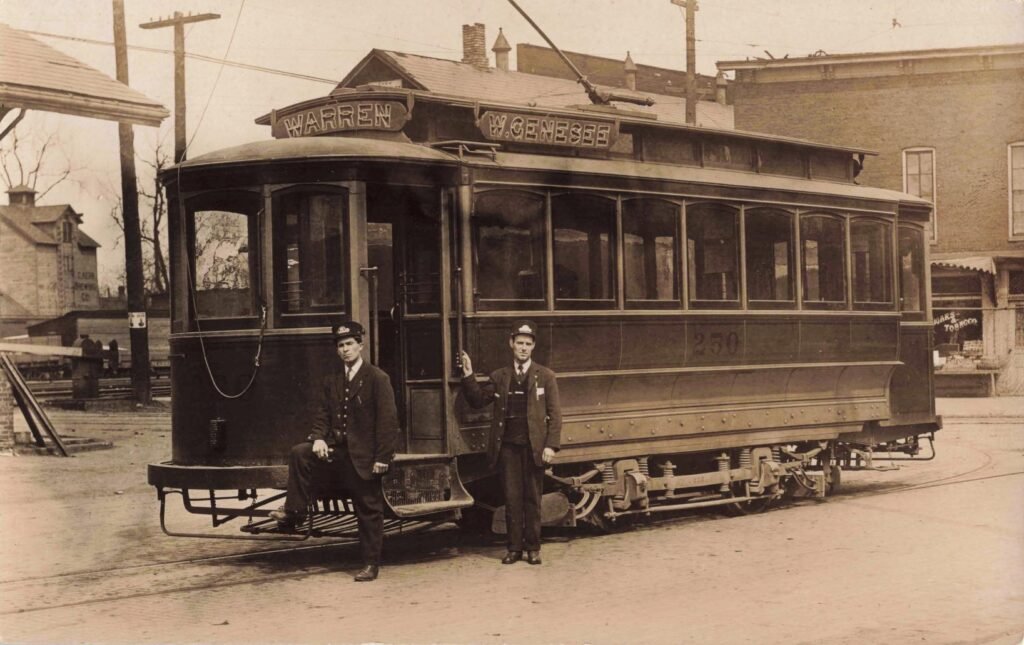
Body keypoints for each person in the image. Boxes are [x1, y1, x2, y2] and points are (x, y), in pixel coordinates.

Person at [270, 321, 399, 582]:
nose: (345, 350)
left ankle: (370, 564)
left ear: (360, 346)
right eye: (340, 346)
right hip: (338, 453)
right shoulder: (332, 380)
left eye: (349, 344)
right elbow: (323, 415)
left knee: (368, 509)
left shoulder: (377, 378)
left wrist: (382, 459)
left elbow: (388, 422)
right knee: (300, 452)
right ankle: (295, 512)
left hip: (364, 457)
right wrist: (318, 438)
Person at [460, 320, 561, 566]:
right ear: (511, 344)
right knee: (512, 499)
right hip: (508, 448)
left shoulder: (545, 376)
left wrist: (550, 446)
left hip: (534, 447)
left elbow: (555, 414)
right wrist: (468, 375)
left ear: (533, 347)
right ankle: (514, 549)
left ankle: (533, 548)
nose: (523, 348)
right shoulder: (500, 376)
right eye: (519, 343)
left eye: (528, 344)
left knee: (532, 500)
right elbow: (477, 400)